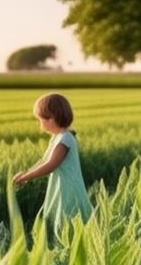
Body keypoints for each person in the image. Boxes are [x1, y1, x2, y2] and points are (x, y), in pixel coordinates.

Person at [12, 92, 92, 233]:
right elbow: (43, 160)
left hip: (68, 187)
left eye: (40, 120)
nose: (40, 124)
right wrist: (25, 173)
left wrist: (25, 177)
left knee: (69, 219)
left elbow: (50, 165)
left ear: (51, 119)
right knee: (64, 219)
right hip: (60, 184)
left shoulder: (65, 140)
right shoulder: (57, 137)